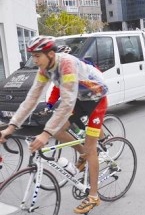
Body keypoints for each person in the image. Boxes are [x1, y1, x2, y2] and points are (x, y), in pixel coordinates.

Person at [0, 36, 108, 214]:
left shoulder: (66, 64)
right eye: (32, 56)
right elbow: (31, 99)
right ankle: (82, 156)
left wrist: (45, 134)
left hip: (96, 99)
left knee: (91, 149)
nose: (34, 61)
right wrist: (11, 127)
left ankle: (93, 196)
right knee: (58, 130)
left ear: (50, 54)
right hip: (80, 99)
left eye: (37, 56)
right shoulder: (44, 69)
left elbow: (66, 103)